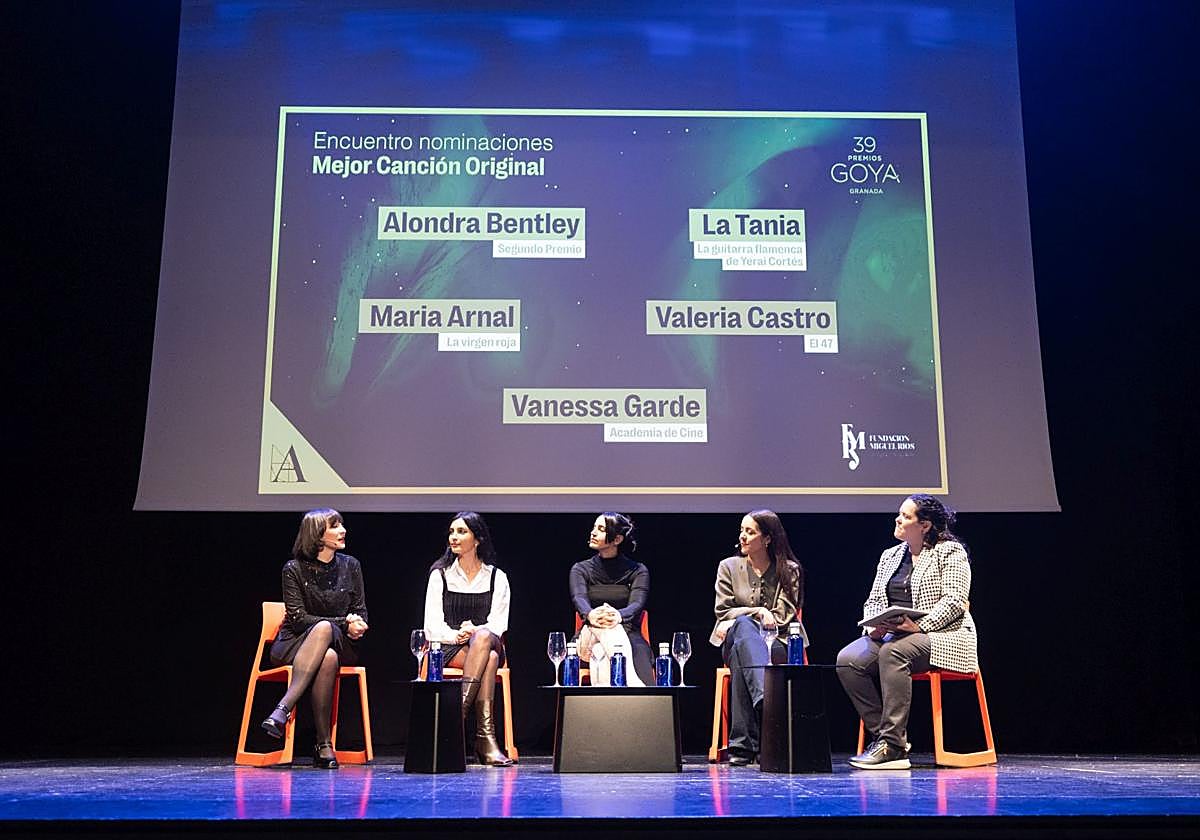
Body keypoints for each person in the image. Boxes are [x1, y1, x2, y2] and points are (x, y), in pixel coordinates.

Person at [836, 494, 978, 770]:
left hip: (944, 635)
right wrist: (874, 626)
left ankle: (892, 746)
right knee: (848, 660)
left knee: (893, 653)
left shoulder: (950, 552)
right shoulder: (890, 556)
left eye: (906, 516)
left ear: (924, 525)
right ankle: (888, 739)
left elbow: (955, 601)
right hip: (896, 635)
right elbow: (874, 600)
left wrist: (920, 626)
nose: (898, 519)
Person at [261, 508, 369, 769]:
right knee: (326, 650)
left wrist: (358, 624)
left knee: (327, 640)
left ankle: (282, 709)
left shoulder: (351, 565)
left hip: (341, 643)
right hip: (294, 642)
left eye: (341, 524)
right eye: (335, 526)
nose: (343, 530)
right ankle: (323, 745)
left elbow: (361, 611)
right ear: (317, 534)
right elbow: (298, 619)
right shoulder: (293, 569)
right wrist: (343, 622)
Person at [711, 509, 808, 766]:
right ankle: (765, 702)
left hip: (779, 641)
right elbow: (723, 611)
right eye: (742, 531)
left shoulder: (789, 570)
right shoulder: (728, 567)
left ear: (767, 538)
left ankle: (743, 746)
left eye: (750, 532)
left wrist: (747, 615)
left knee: (741, 656)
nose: (742, 537)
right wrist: (758, 612)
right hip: (734, 636)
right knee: (743, 628)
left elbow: (784, 615)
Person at [423, 512, 514, 766]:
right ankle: (485, 739)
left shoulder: (496, 577)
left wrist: (474, 631)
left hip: (486, 640)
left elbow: (499, 624)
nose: (454, 537)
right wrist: (456, 635)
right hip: (450, 648)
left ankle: (455, 723)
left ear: (477, 539)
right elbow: (431, 626)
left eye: (462, 532)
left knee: (484, 639)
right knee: (490, 659)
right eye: (452, 532)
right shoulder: (440, 575)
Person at [569, 512, 653, 686]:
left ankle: (607, 699)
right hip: (589, 631)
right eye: (594, 527)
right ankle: (636, 688)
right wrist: (591, 615)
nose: (593, 533)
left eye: (601, 529)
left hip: (627, 631)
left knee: (601, 649)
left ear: (617, 539)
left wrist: (617, 616)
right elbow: (579, 598)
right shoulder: (580, 569)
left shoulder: (638, 570)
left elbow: (637, 604)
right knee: (607, 633)